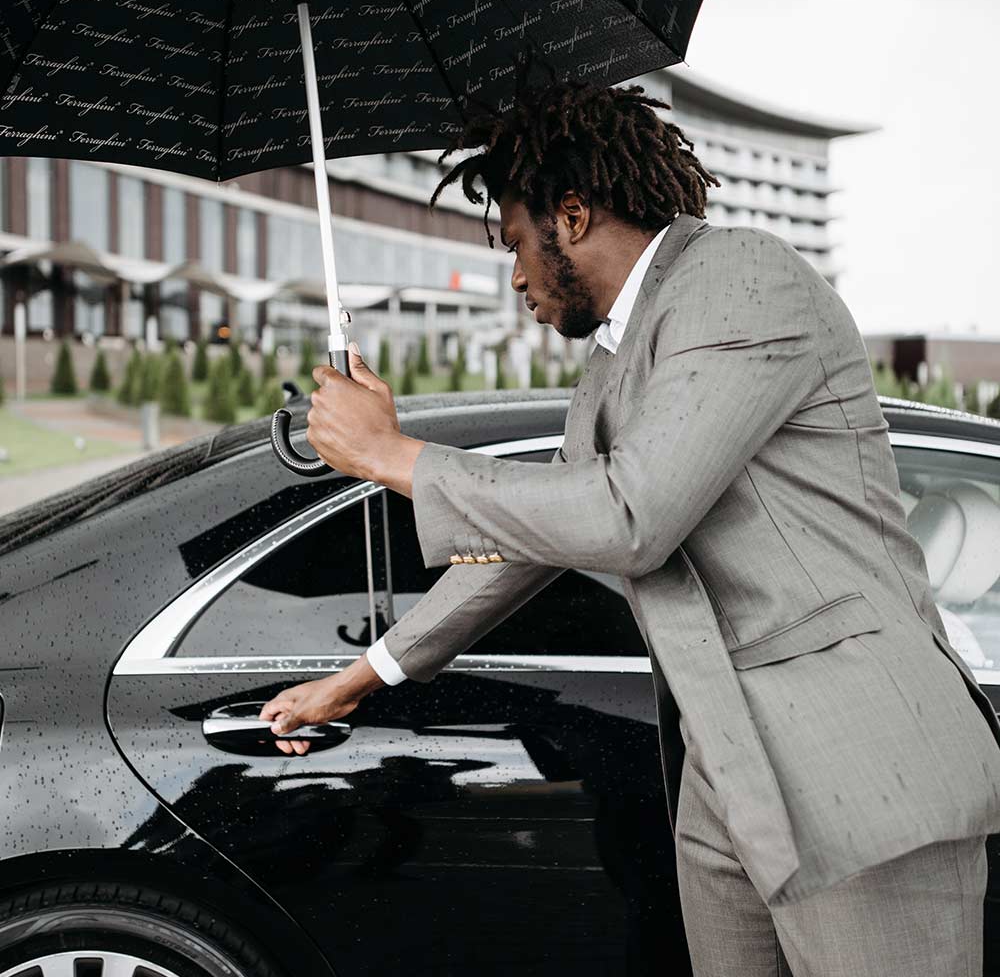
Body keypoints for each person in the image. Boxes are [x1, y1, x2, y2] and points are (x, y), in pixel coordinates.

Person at [261, 79, 1000, 975]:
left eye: (515, 242)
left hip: (862, 765)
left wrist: (393, 454)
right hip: (727, 775)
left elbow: (631, 514)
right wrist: (360, 677)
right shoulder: (613, 366)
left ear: (572, 216)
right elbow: (536, 535)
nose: (516, 276)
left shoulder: (743, 278)